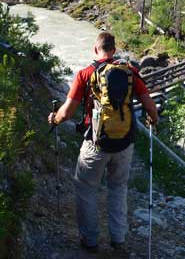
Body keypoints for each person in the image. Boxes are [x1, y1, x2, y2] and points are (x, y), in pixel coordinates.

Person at [48, 31, 158, 253]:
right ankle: (118, 239)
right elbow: (150, 106)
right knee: (118, 187)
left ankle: (90, 241)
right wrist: (152, 119)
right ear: (114, 50)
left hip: (95, 143)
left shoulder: (85, 74)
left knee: (86, 188)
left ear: (95, 50)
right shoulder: (130, 72)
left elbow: (67, 111)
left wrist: (55, 119)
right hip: (124, 143)